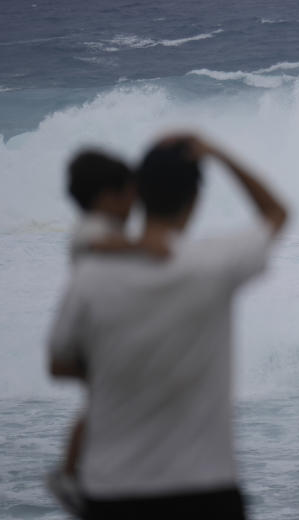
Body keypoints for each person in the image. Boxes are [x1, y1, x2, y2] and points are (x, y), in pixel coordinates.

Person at [47, 134, 287, 520]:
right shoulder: (212, 266)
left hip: (111, 493)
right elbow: (277, 214)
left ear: (139, 195)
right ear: (195, 201)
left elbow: (58, 365)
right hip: (205, 491)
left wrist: (121, 368)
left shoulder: (91, 275)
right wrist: (216, 151)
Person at [46, 149, 169, 517]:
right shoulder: (94, 230)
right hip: (94, 329)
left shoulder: (103, 227)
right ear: (105, 196)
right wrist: (145, 247)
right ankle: (70, 475)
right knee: (102, 403)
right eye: (127, 192)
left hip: (101, 323)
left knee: (101, 404)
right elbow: (100, 246)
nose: (134, 199)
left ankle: (75, 474)